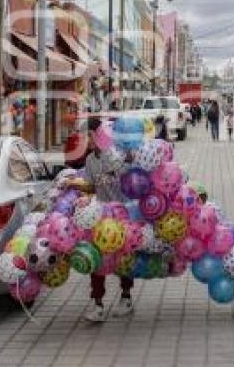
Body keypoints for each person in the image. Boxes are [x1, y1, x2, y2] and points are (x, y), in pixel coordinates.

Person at [74, 118, 134, 322]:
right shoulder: (90, 160)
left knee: (123, 259)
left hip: (122, 214)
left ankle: (126, 297)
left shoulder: (117, 156)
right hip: (100, 216)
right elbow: (92, 186)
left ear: (97, 135)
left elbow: (131, 179)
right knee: (96, 259)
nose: (86, 140)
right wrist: (74, 187)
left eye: (88, 136)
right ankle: (97, 303)